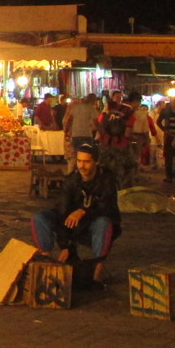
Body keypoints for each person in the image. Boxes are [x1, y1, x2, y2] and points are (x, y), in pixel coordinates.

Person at [30, 142, 121, 282]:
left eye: (86, 162)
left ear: (96, 162)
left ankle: (97, 274)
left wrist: (84, 211)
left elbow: (108, 207)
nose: (81, 166)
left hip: (94, 223)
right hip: (71, 223)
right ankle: (46, 261)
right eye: (79, 161)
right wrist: (65, 245)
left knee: (104, 223)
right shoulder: (71, 180)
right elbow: (62, 211)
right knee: (40, 218)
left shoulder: (107, 179)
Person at [62, 93, 98, 173]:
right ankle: (83, 173)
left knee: (75, 155)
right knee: (86, 155)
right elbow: (96, 122)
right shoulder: (91, 108)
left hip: (75, 135)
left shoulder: (75, 107)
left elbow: (69, 120)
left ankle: (73, 173)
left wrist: (66, 130)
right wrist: (102, 132)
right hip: (86, 135)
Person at [157, 96, 175, 183]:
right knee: (168, 157)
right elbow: (158, 121)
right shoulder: (165, 111)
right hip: (169, 136)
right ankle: (169, 176)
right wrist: (164, 129)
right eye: (173, 101)